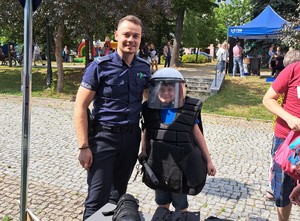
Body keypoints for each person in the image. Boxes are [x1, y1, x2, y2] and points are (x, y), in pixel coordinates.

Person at [74, 15, 151, 220]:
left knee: (117, 197)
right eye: (126, 34)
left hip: (130, 140)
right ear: (117, 35)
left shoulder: (144, 68)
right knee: (97, 199)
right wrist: (83, 146)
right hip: (103, 139)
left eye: (136, 36)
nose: (131, 40)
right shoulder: (99, 66)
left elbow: (151, 103)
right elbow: (80, 106)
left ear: (140, 39)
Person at [140, 68, 216, 212]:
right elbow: (146, 131)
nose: (166, 93)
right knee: (162, 204)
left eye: (170, 89)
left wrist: (209, 160)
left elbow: (198, 136)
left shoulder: (187, 110)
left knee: (181, 206)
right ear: (155, 90)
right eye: (162, 89)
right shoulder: (149, 110)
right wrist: (143, 151)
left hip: (180, 170)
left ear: (178, 90)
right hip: (158, 166)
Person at [263, 61, 300, 221]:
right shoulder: (294, 69)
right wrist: (289, 117)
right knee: (283, 188)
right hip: (287, 141)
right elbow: (268, 99)